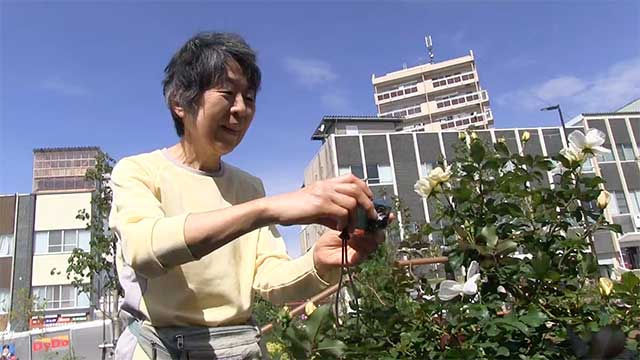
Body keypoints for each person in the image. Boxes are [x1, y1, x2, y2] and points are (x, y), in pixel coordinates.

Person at [109, 32, 391, 360]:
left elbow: (268, 280)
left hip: (239, 348)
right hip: (160, 349)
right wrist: (267, 209)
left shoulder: (249, 187)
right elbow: (145, 250)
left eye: (250, 97)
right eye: (227, 93)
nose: (241, 109)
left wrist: (318, 261)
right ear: (179, 102)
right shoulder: (138, 171)